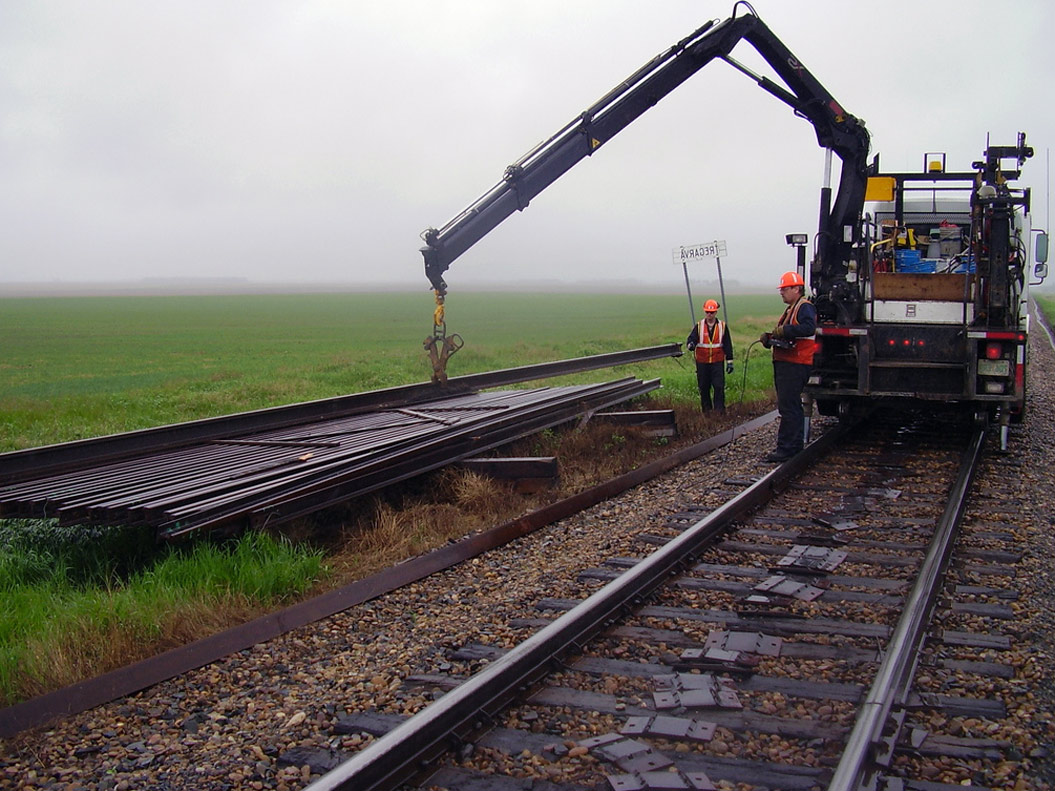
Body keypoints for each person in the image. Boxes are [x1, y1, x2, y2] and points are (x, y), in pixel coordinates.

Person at [759, 271, 817, 462]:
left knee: (789, 407)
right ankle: (792, 446)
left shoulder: (804, 307)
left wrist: (785, 330)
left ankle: (787, 449)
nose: (781, 292)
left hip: (795, 364)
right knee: (790, 406)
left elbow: (808, 328)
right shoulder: (793, 308)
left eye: (785, 289)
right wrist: (770, 338)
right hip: (789, 363)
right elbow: (788, 334)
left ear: (796, 289)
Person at [686, 299, 734, 412]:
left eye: (711, 312)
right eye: (707, 312)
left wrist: (730, 361)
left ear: (716, 312)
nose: (709, 314)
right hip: (702, 362)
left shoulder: (722, 326)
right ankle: (707, 412)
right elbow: (691, 339)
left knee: (719, 386)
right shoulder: (699, 326)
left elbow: (727, 344)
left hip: (717, 362)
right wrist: (691, 344)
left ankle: (719, 412)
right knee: (704, 387)